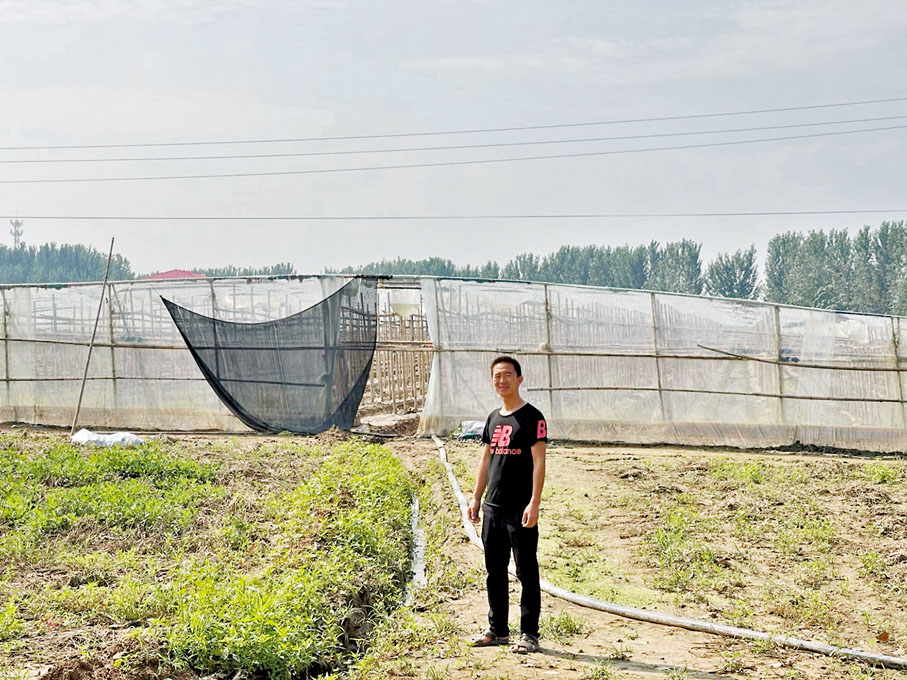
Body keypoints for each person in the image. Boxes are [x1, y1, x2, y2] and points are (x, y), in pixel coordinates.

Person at [467, 355, 547, 654]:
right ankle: (498, 629)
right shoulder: (492, 418)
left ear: (519, 379)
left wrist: (534, 502)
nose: (502, 380)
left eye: (508, 375)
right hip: (493, 508)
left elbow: (539, 462)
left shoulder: (532, 418)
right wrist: (476, 497)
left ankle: (530, 634)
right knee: (494, 570)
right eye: (497, 376)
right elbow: (486, 459)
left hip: (519, 508)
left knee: (527, 571)